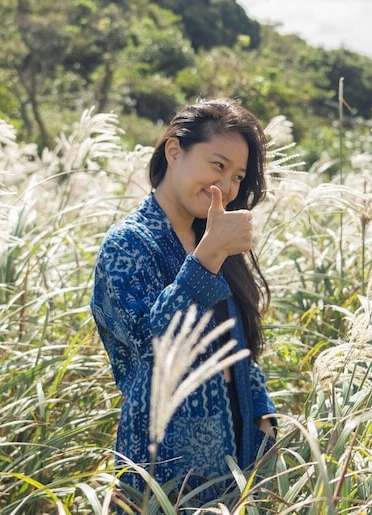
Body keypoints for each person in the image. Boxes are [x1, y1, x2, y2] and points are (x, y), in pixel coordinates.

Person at [90, 98, 277, 501]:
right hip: (165, 468)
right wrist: (208, 256)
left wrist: (263, 417)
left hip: (240, 455)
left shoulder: (209, 235)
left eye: (237, 176)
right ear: (175, 151)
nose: (226, 186)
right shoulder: (127, 245)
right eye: (217, 165)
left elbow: (237, 344)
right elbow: (152, 346)